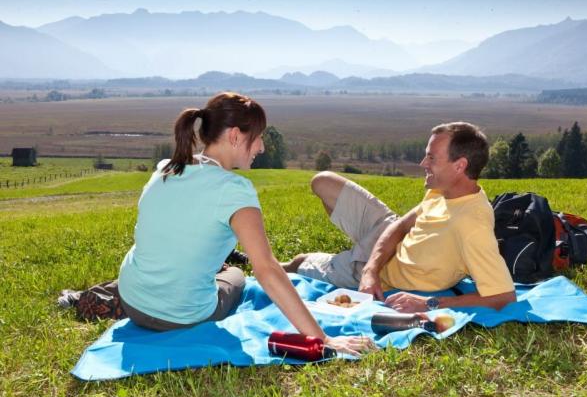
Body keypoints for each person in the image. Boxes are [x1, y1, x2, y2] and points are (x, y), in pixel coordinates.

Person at [62, 92, 373, 356]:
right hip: (181, 316)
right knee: (237, 274)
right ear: (235, 136)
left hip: (133, 297)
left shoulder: (165, 169)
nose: (262, 147)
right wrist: (324, 339)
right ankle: (221, 268)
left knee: (172, 255)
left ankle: (106, 295)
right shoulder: (234, 190)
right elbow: (266, 271)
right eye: (259, 138)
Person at [284, 122, 516, 312]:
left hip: (384, 275)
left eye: (432, 159)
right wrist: (371, 270)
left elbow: (504, 296)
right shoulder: (443, 190)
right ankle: (356, 254)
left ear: (460, 166)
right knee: (322, 181)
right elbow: (401, 225)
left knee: (299, 262)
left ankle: (284, 264)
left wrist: (428, 303)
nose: (423, 164)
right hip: (382, 242)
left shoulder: (472, 224)